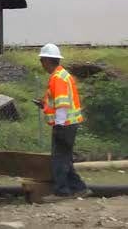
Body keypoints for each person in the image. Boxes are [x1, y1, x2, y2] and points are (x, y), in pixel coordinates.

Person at [33, 44, 88, 200]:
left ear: (47, 60)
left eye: (41, 60)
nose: (41, 64)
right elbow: (58, 102)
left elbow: (62, 104)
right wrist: (44, 105)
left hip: (64, 124)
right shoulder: (62, 75)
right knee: (64, 158)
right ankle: (80, 188)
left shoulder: (58, 78)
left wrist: (59, 124)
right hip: (68, 123)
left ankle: (62, 192)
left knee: (59, 159)